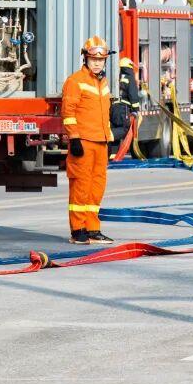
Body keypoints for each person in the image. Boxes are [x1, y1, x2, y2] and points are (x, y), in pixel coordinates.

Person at [62, 36, 115, 245]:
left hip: (101, 141)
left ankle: (93, 228)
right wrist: (74, 138)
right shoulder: (75, 81)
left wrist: (109, 137)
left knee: (97, 186)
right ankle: (78, 230)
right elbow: (68, 113)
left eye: (101, 60)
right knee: (81, 186)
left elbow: (105, 113)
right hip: (83, 142)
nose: (97, 63)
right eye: (94, 59)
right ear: (85, 58)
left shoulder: (103, 83)